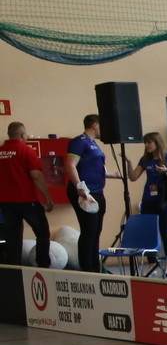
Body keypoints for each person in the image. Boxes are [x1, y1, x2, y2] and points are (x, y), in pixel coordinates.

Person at [65, 114, 121, 273]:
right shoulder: (79, 142)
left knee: (96, 231)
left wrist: (112, 175)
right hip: (85, 192)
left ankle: (96, 267)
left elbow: (95, 168)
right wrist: (79, 187)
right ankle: (87, 268)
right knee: (89, 230)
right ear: (95, 125)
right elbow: (70, 165)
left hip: (98, 191)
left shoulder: (94, 144)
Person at [0, 122, 55, 268]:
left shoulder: (1, 151)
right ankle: (43, 266)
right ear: (23, 135)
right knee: (42, 233)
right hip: (27, 201)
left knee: (13, 237)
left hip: (6, 203)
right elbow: (36, 176)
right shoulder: (26, 151)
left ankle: (13, 268)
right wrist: (48, 199)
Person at [133, 131, 167, 260]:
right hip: (148, 199)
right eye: (145, 143)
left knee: (165, 230)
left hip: (165, 199)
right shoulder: (145, 159)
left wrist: (166, 171)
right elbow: (133, 177)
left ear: (157, 143)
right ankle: (152, 262)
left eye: (149, 142)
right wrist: (128, 163)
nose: (147, 145)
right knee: (149, 231)